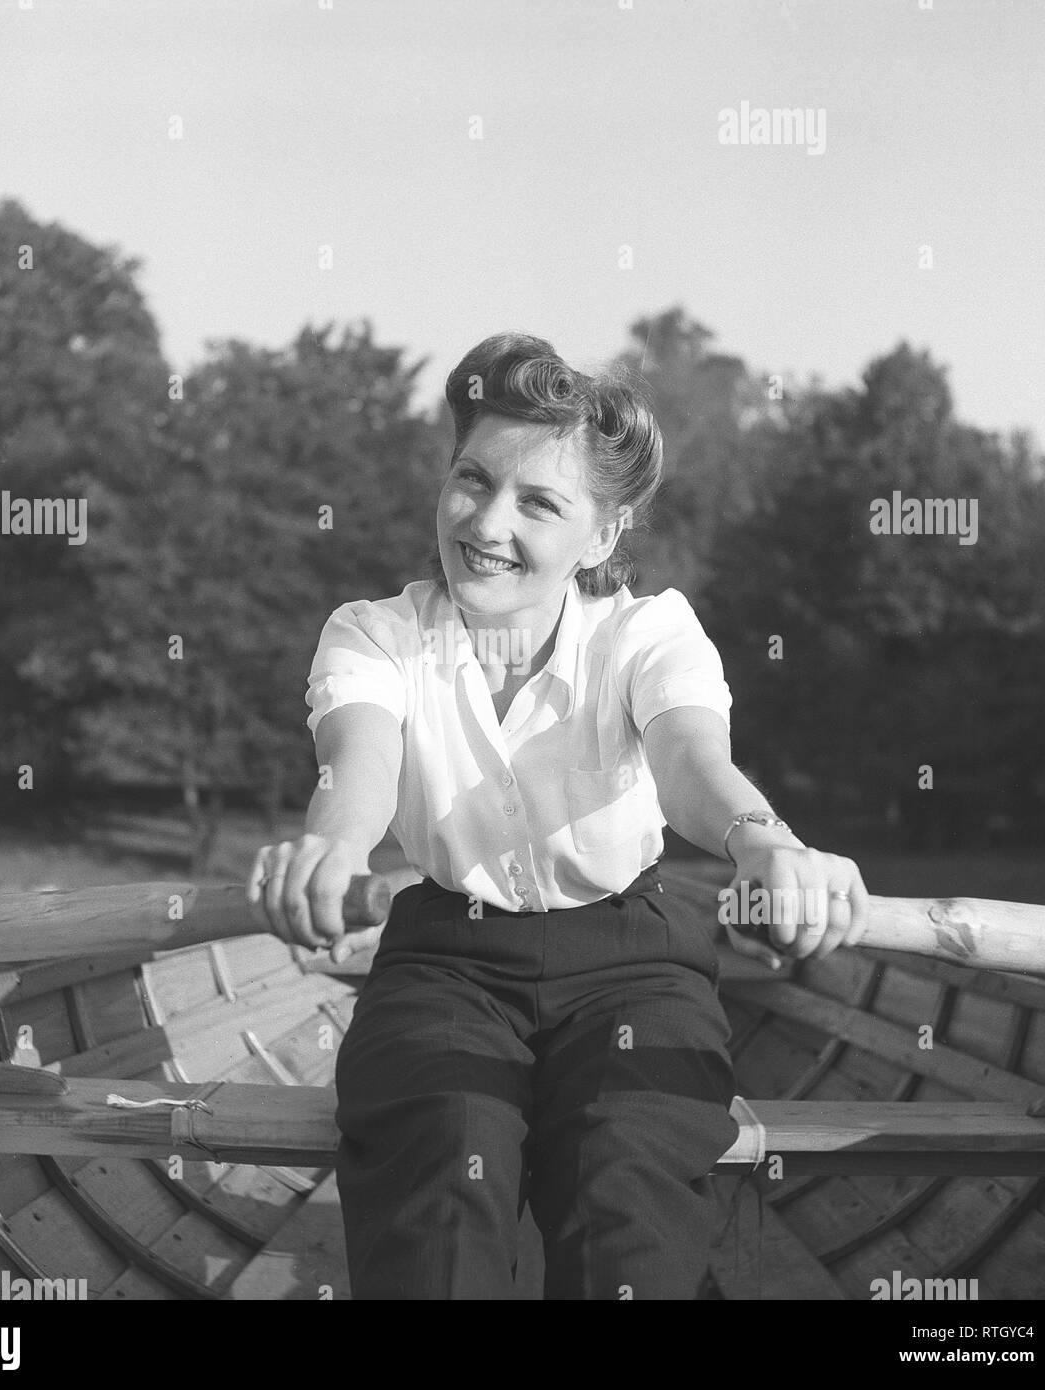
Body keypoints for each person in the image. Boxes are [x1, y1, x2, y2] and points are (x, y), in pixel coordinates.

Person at [248, 333, 870, 1300]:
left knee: (624, 1178)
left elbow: (691, 762)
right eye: (472, 479)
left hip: (633, 964)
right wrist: (330, 842)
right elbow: (357, 759)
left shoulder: (646, 632)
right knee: (443, 1163)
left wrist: (765, 842)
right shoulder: (374, 634)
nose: (487, 522)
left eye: (538, 502)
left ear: (603, 535)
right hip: (446, 963)